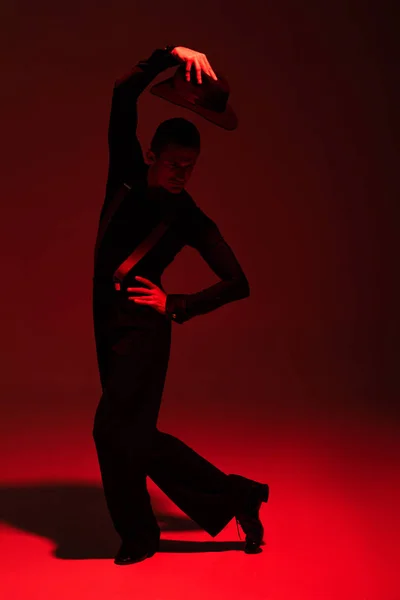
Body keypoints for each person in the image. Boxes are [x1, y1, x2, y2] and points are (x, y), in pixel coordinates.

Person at [92, 44, 269, 566]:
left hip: (145, 333)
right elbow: (123, 93)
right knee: (133, 437)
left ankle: (140, 536)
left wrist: (177, 303)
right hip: (105, 323)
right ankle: (239, 496)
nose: (180, 175)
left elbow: (238, 281)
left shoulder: (188, 215)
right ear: (151, 155)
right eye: (173, 164)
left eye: (189, 168)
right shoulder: (124, 174)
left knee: (111, 432)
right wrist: (170, 53)